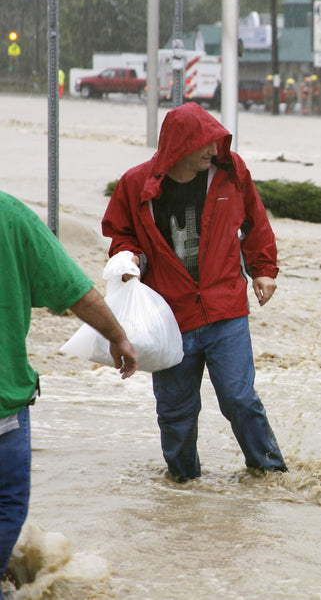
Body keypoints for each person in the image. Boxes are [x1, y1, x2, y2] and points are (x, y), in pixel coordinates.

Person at [102, 102, 287, 483]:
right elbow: (121, 233)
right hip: (170, 318)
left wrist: (263, 270)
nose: (213, 149)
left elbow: (255, 220)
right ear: (180, 145)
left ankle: (271, 476)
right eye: (205, 142)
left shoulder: (230, 173)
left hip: (226, 311)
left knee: (240, 400)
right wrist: (127, 258)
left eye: (217, 141)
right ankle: (184, 489)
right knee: (175, 413)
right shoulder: (136, 185)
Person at [1, 191, 138, 594]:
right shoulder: (9, 214)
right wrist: (118, 337)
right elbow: (74, 289)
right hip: (5, 405)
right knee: (6, 508)